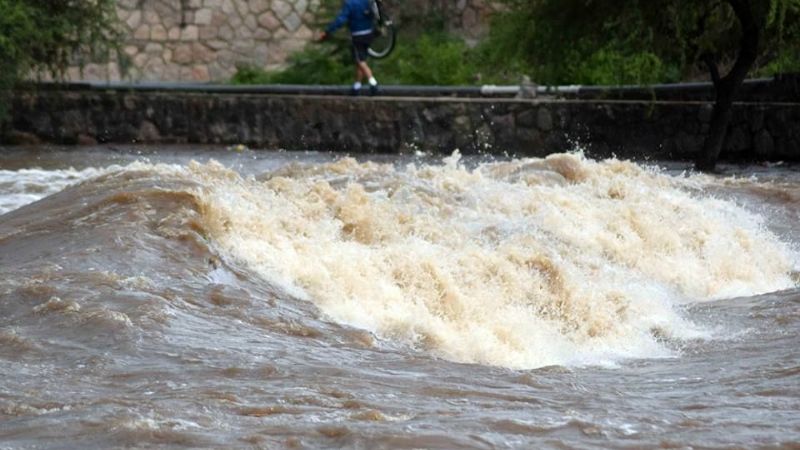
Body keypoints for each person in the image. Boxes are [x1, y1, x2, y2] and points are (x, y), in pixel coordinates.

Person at [318, 0, 379, 96]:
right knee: (361, 60)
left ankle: (373, 83)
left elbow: (341, 20)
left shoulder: (350, 3)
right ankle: (356, 87)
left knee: (360, 61)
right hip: (369, 34)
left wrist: (328, 31)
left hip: (358, 35)